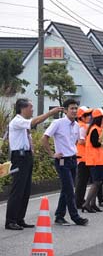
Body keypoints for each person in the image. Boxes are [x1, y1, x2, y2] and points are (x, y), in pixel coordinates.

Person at [5, 99, 63, 231]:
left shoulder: (22, 123)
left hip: (26, 156)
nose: (32, 110)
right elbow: (34, 122)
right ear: (22, 108)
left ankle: (20, 219)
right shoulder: (18, 121)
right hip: (19, 157)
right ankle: (11, 220)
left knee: (25, 190)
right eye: (30, 107)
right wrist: (51, 113)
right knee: (17, 189)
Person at [42, 99, 89, 226]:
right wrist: (52, 154)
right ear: (65, 110)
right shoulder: (58, 123)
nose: (74, 111)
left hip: (73, 159)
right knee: (69, 189)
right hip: (62, 160)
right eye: (72, 108)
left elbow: (74, 142)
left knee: (66, 188)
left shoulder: (77, 125)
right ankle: (75, 216)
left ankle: (59, 215)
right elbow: (44, 138)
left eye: (76, 108)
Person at [83, 108, 103, 213]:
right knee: (97, 182)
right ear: (99, 118)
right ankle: (87, 204)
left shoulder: (98, 129)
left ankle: (92, 204)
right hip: (96, 160)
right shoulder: (94, 129)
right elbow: (95, 143)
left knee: (98, 182)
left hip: (100, 159)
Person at [75, 106, 92, 209]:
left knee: (83, 180)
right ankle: (78, 201)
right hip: (82, 157)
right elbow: (81, 141)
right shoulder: (82, 126)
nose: (89, 117)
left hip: (84, 156)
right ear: (81, 117)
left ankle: (79, 199)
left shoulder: (83, 125)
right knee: (82, 181)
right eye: (86, 115)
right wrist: (92, 143)